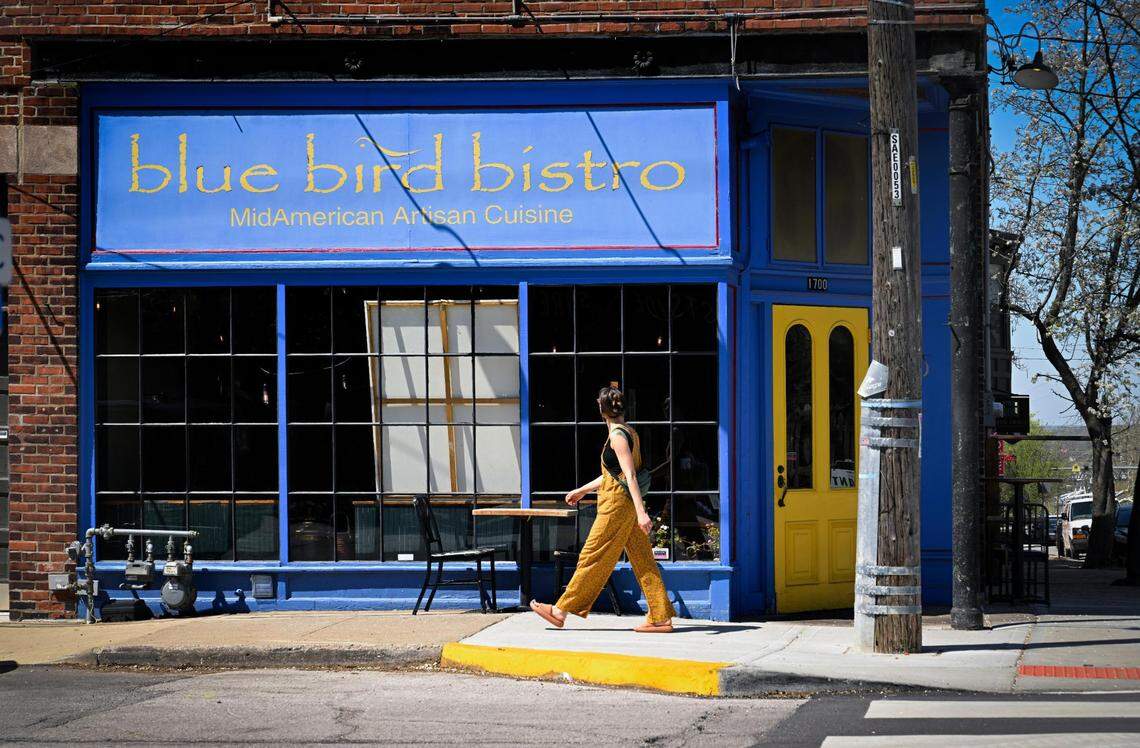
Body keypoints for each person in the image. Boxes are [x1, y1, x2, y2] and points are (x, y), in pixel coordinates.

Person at [530, 385, 676, 633]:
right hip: (624, 504)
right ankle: (660, 616)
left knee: (592, 555)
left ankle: (559, 611)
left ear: (601, 409)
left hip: (617, 507)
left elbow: (630, 475)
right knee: (643, 559)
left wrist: (642, 513)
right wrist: (582, 490)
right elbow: (613, 476)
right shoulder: (630, 432)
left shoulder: (618, 437)